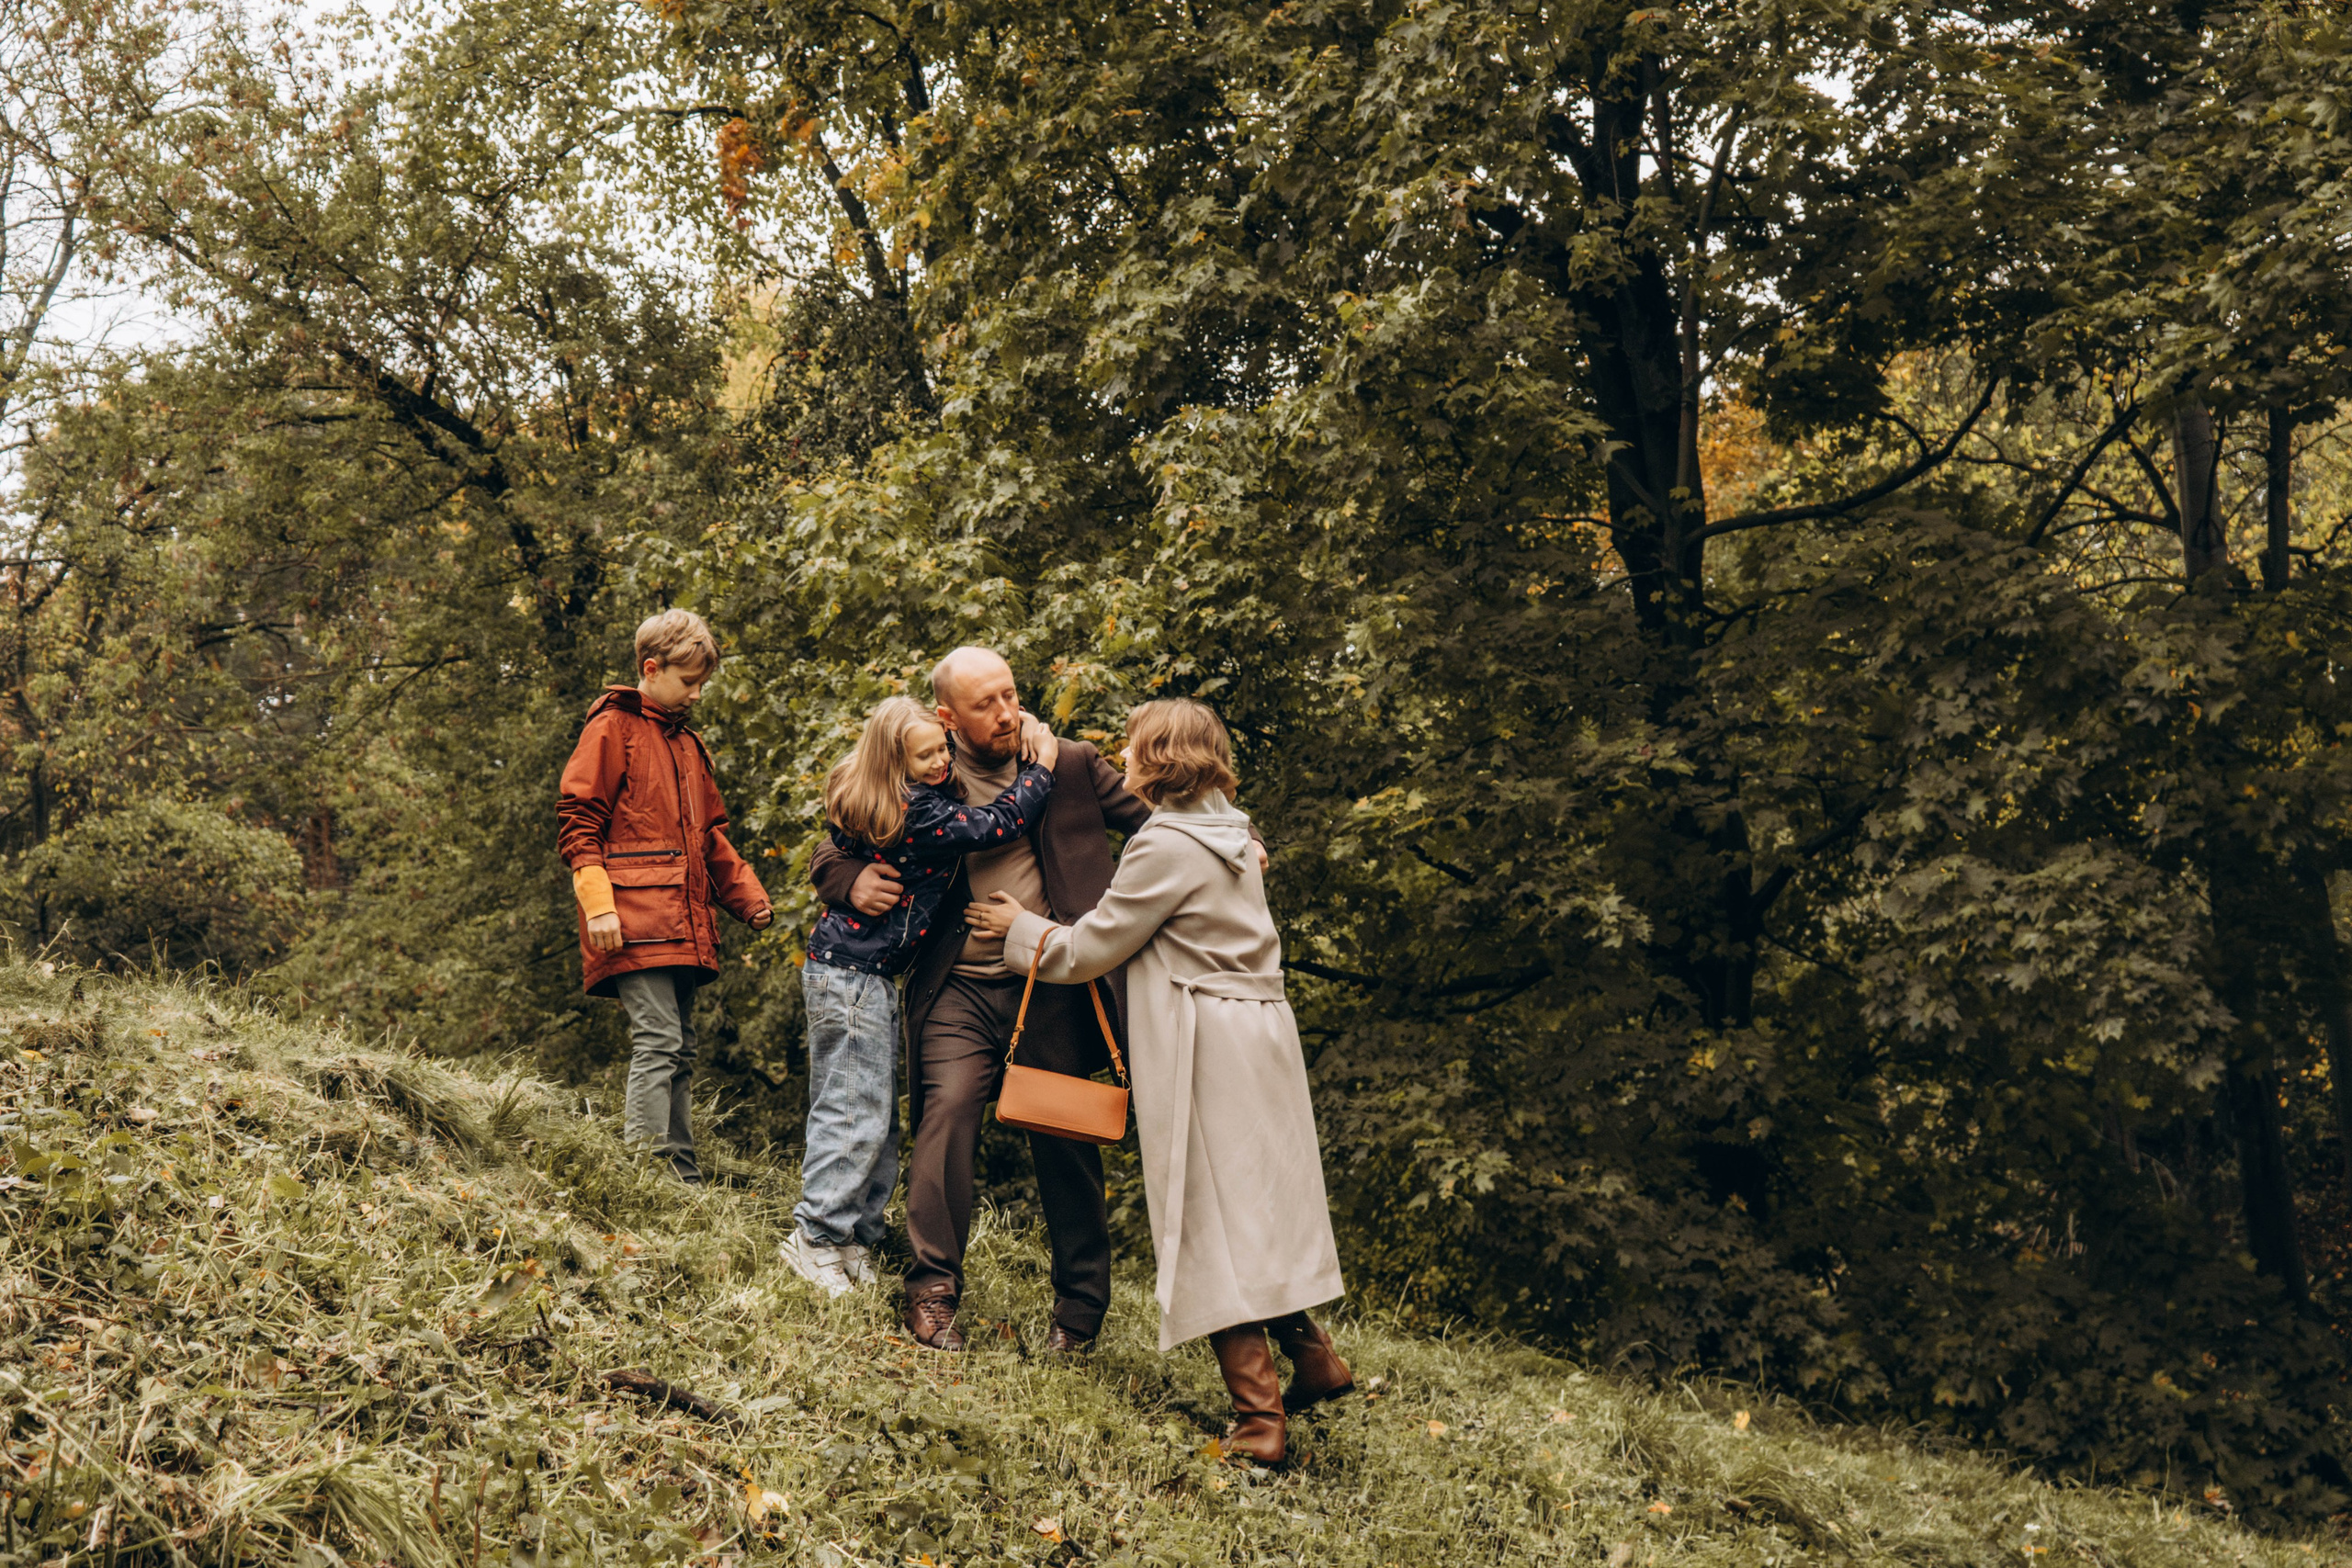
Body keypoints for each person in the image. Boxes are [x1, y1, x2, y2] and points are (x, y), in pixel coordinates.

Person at [810, 647, 1265, 1354]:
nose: (1006, 711)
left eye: (1010, 694)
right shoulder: (925, 767)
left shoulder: (1071, 763)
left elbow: (1172, 810)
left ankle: (1079, 1316)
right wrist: (844, 880)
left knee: (1066, 1139)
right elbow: (839, 839)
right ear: (947, 716)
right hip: (957, 984)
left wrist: (1248, 838)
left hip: (1053, 985)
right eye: (985, 703)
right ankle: (931, 1293)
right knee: (948, 1113)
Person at [967, 697, 1348, 1465]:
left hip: (1209, 1043)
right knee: (1252, 1212)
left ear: (1156, 758)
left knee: (1207, 1218)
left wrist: (1018, 929)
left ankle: (1258, 1420)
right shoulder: (1233, 831)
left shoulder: (1165, 846)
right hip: (1263, 1033)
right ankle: (1314, 1358)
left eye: (1135, 746)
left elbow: (1089, 949)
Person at [782, 696, 1059, 1297]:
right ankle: (817, 1236)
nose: (939, 760)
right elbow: (995, 824)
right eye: (926, 753)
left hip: (872, 975)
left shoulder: (915, 790)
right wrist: (1042, 772)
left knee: (877, 1116)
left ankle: (854, 1236)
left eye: (942, 747)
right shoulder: (918, 809)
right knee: (852, 1109)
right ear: (896, 760)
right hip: (849, 973)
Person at [557, 609, 773, 1185]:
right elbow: (579, 822)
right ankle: (646, 1175)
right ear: (651, 669)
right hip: (629, 917)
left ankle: (683, 1176)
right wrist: (598, 904)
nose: (698, 694)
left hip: (683, 919)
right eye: (688, 681)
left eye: (703, 682)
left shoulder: (685, 743)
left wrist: (747, 897)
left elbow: (708, 839)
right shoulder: (611, 729)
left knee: (682, 1047)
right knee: (657, 1040)